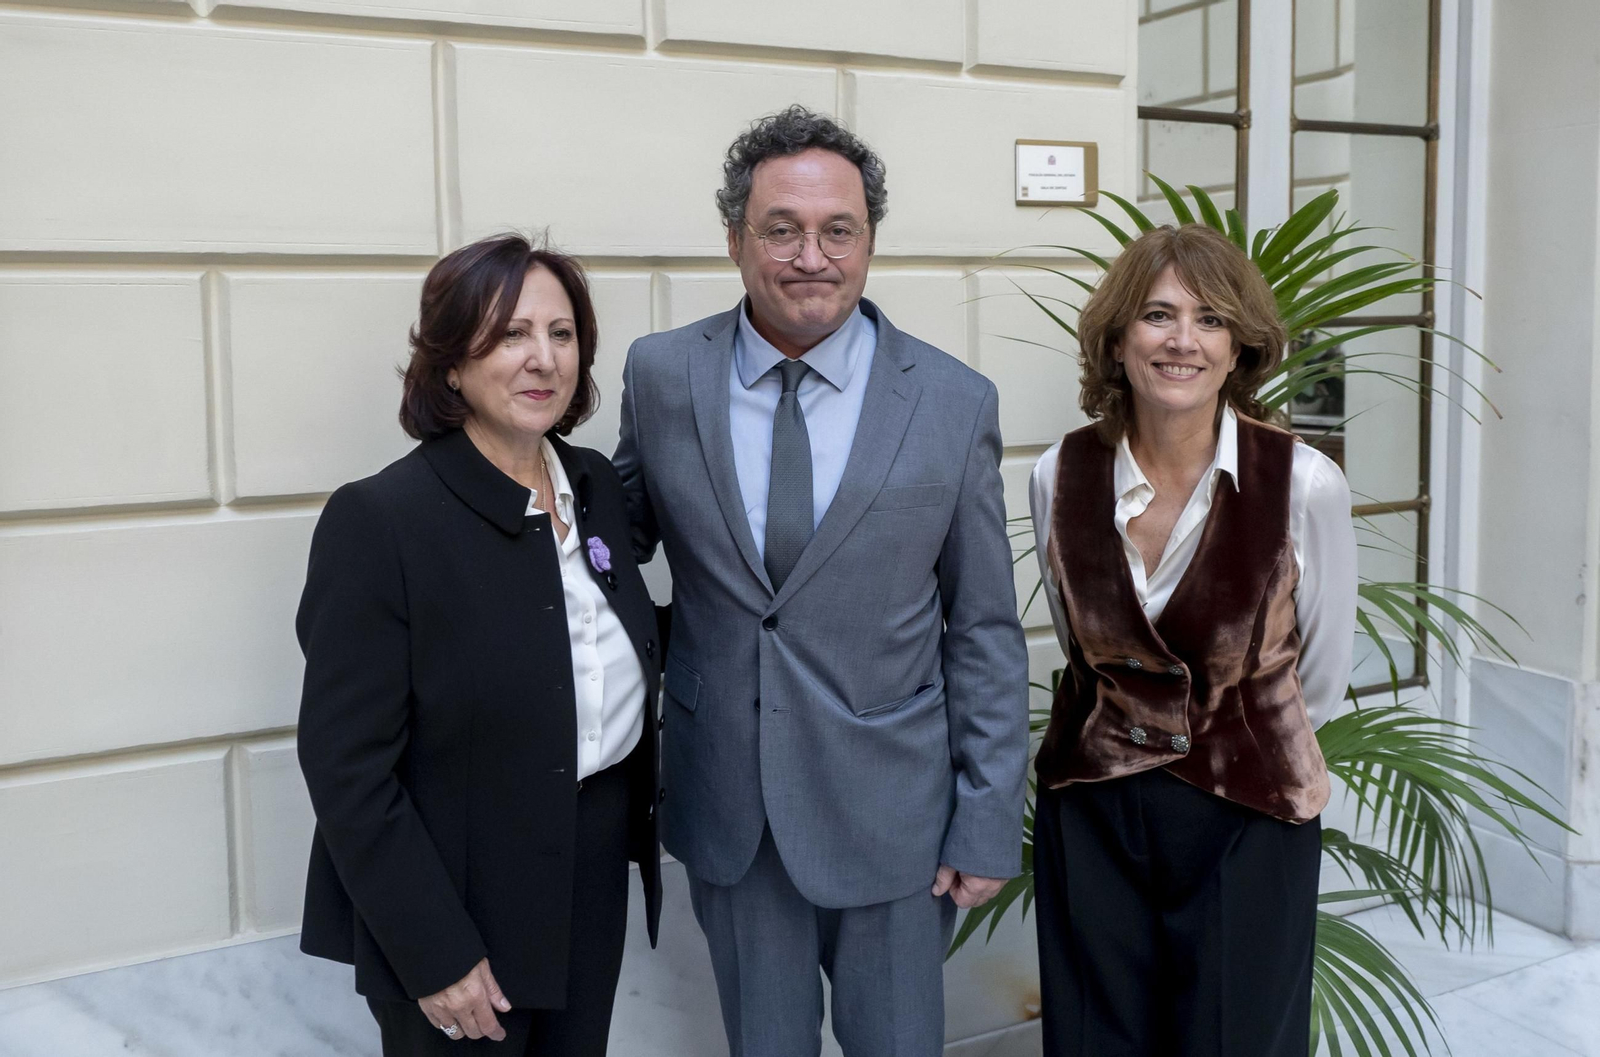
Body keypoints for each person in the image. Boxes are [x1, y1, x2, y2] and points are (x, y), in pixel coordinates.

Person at [612, 105, 1029, 1057]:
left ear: (869, 239)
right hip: (730, 802)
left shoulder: (954, 402)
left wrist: (987, 817)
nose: (812, 255)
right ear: (735, 239)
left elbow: (985, 628)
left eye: (838, 229)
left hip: (896, 817)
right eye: (782, 229)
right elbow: (616, 537)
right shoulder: (664, 375)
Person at [295, 233, 662, 1056]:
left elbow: (602, 646)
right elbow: (345, 765)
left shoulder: (595, 483)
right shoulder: (383, 522)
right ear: (451, 363)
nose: (542, 359)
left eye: (561, 334)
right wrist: (433, 951)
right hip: (459, 901)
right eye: (510, 335)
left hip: (590, 869)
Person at [1028, 223, 1358, 1056]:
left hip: (1250, 814)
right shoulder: (1055, 475)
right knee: (1096, 1039)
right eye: (1157, 315)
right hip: (1093, 806)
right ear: (1116, 337)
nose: (1183, 340)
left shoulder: (1306, 484)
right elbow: (1083, 643)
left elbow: (1318, 676)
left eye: (1211, 319)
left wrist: (1240, 740)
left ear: (1241, 344)